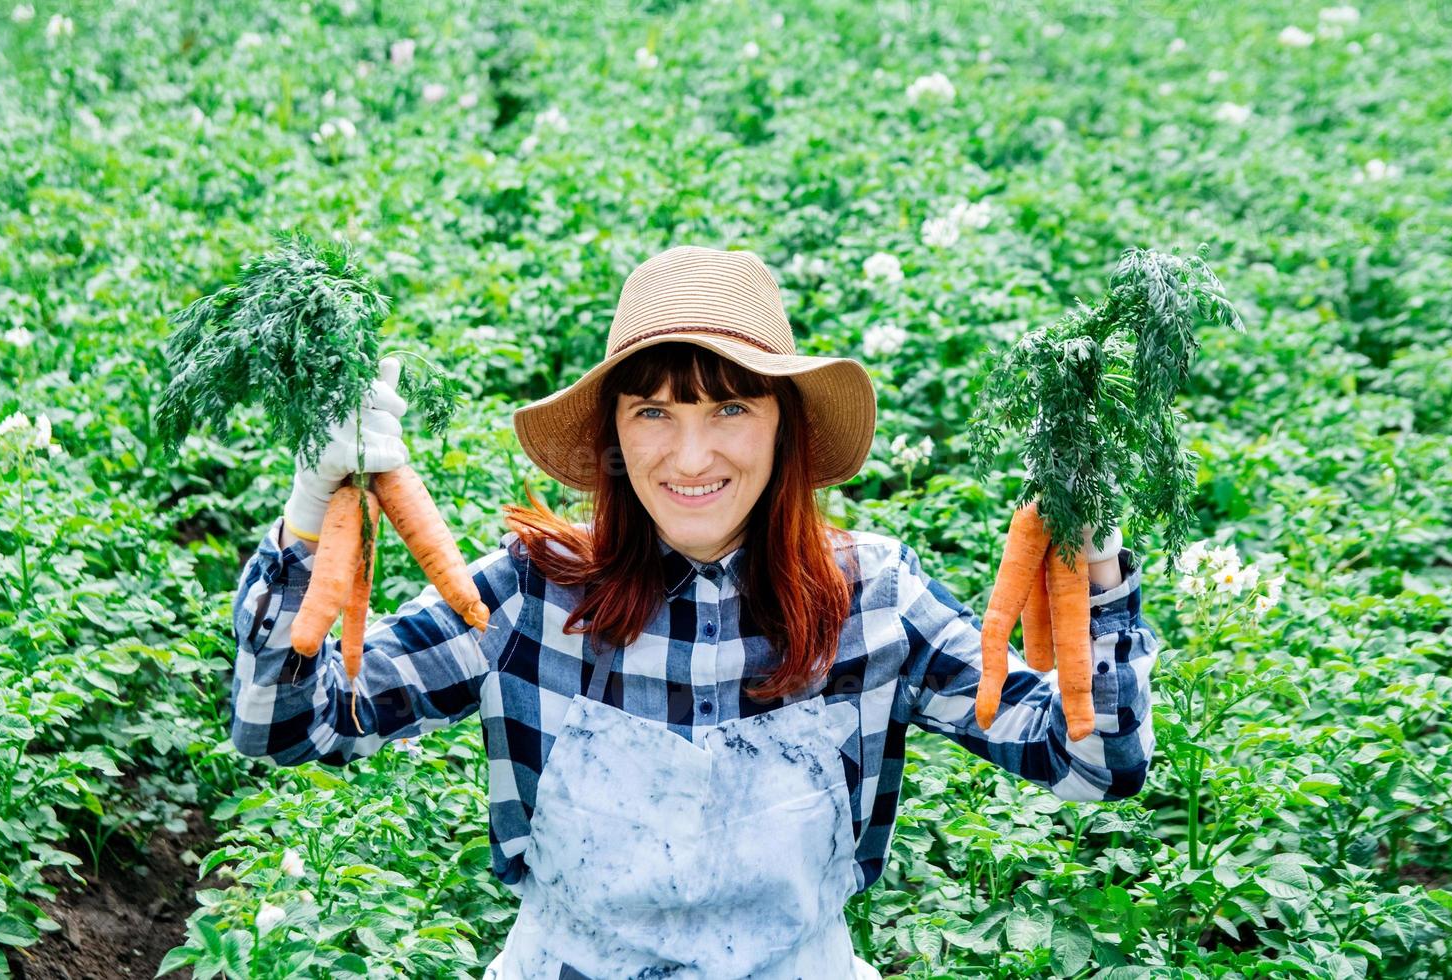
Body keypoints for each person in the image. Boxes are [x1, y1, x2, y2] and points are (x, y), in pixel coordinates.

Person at [230, 245, 1157, 979]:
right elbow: (284, 728)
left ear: (784, 423)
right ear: (614, 437)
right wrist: (312, 511)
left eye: (729, 409)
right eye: (653, 414)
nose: (690, 455)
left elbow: (1090, 762)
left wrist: (1097, 559)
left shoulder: (874, 600)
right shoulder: (529, 597)